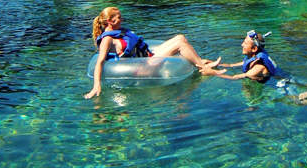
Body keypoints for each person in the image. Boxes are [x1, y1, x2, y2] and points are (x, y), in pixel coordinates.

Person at [84, 7, 219, 99]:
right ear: (110, 21)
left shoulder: (119, 33)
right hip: (140, 68)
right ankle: (203, 67)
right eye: (119, 18)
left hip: (145, 59)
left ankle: (200, 62)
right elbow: (100, 62)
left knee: (180, 38)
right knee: (180, 44)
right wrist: (96, 85)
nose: (122, 20)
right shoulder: (107, 40)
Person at [201, 30, 281, 83]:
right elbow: (231, 65)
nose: (242, 45)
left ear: (254, 49)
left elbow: (234, 77)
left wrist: (213, 73)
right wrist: (212, 62)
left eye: (245, 43)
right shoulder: (252, 58)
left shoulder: (258, 68)